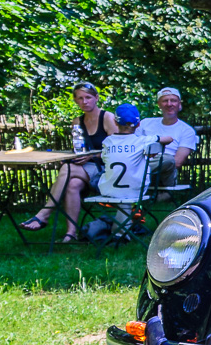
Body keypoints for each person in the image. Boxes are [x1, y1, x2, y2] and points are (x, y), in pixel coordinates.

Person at [19, 82, 118, 242]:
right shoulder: (77, 122)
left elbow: (118, 150)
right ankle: (71, 233)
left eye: (88, 97)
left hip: (108, 170)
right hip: (86, 169)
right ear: (75, 101)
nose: (84, 101)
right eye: (80, 98)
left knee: (67, 170)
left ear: (96, 98)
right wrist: (76, 157)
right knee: (72, 184)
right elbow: (79, 149)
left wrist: (92, 156)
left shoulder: (107, 118)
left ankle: (44, 214)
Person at [95, 104, 173, 236]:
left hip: (108, 191)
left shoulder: (107, 142)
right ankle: (122, 231)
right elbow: (169, 139)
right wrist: (154, 146)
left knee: (102, 179)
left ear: (115, 122)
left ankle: (120, 230)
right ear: (138, 125)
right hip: (137, 191)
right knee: (130, 186)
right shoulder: (142, 140)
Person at [137, 87, 198, 198]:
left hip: (163, 172)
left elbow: (177, 162)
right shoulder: (145, 123)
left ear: (179, 103)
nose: (169, 104)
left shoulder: (186, 130)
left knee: (168, 159)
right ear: (159, 104)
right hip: (140, 164)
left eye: (173, 100)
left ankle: (154, 194)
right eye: (165, 101)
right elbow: (133, 146)